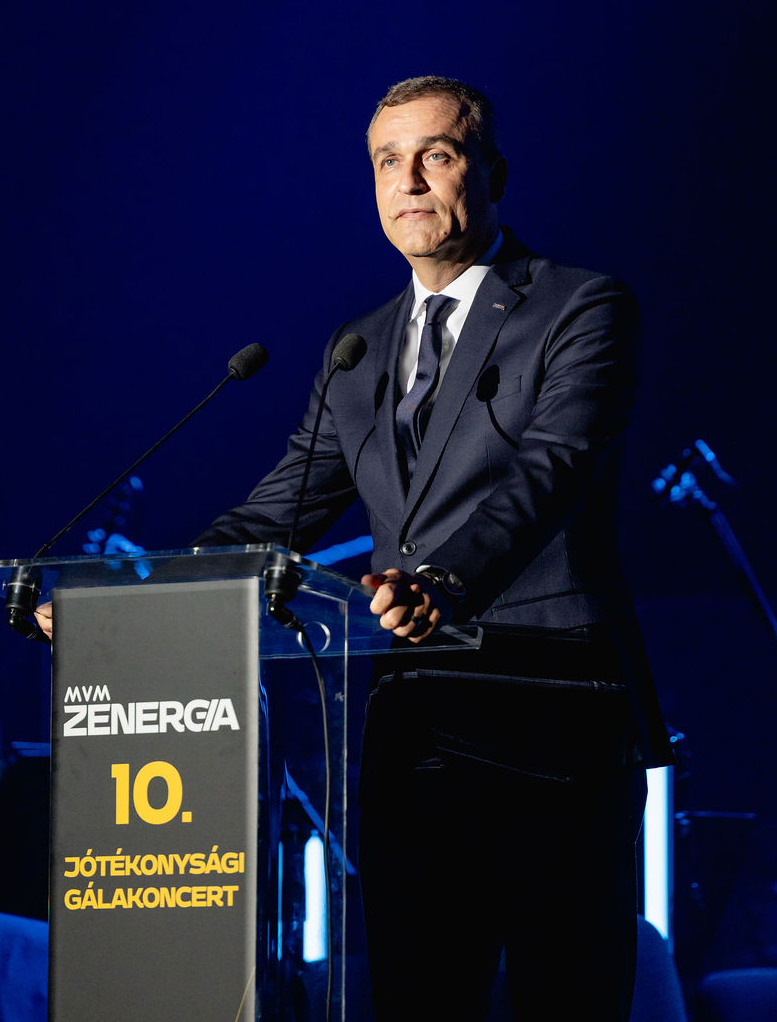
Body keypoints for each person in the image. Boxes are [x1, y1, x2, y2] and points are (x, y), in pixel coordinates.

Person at [192, 75, 672, 1021]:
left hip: (554, 716)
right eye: (387, 162)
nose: (408, 181)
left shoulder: (582, 306)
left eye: (436, 156)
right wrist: (129, 595)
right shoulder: (359, 348)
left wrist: (444, 580)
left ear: (492, 174)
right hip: (415, 736)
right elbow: (278, 511)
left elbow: (553, 470)